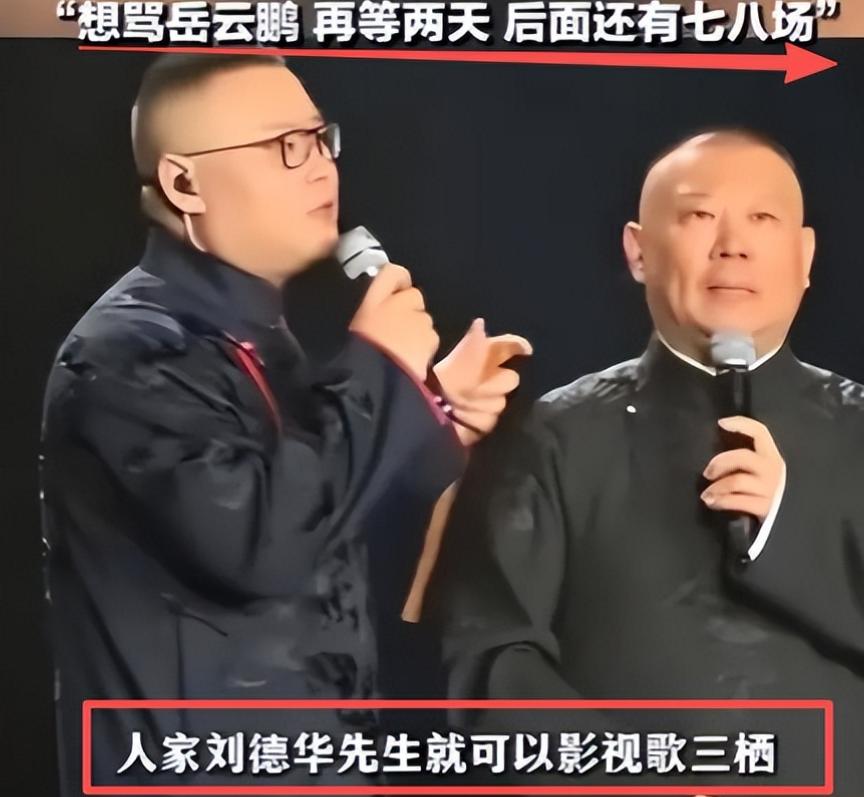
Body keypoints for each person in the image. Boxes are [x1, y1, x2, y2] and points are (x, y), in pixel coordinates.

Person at [40, 53, 531, 794]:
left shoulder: (260, 343)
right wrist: (380, 373)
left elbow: (330, 530)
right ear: (184, 184)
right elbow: (259, 545)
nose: (321, 166)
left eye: (320, 138)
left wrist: (432, 408)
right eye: (284, 146)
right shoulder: (124, 354)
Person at [433, 129, 864, 794]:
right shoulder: (553, 435)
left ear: (805, 256)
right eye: (699, 215)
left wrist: (788, 527)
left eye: (763, 218)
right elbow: (491, 658)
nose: (733, 245)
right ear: (638, 251)